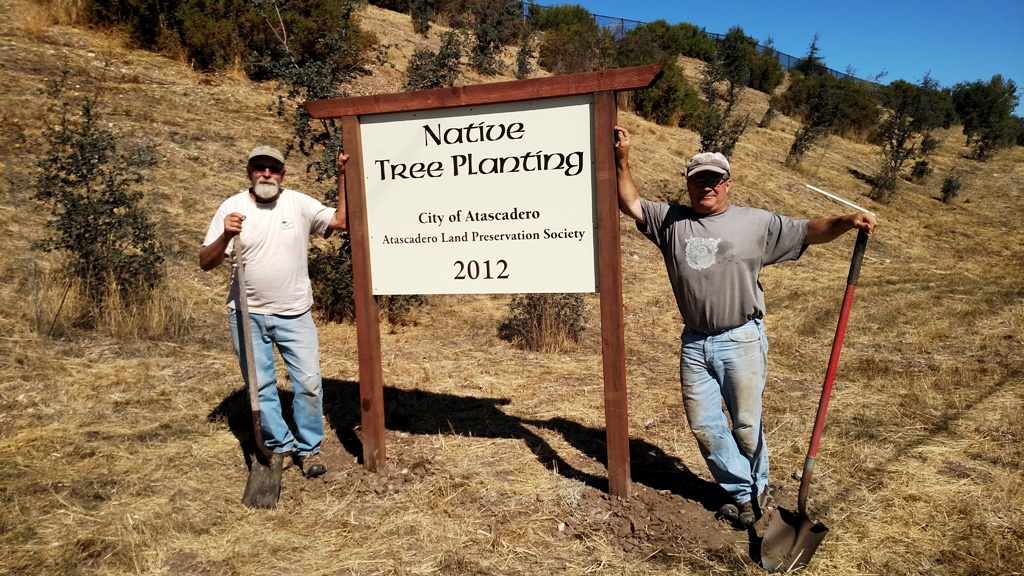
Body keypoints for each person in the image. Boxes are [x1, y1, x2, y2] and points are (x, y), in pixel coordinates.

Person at [613, 126, 876, 528]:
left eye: (714, 179)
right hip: (695, 340)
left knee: (746, 425)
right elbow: (630, 202)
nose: (707, 186)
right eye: (699, 179)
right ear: (688, 184)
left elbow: (807, 230)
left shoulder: (756, 223)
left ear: (727, 183)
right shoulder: (671, 220)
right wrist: (622, 158)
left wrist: (846, 220)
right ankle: (742, 491)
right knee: (704, 423)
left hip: (741, 338)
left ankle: (757, 489)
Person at [200, 145, 349, 479]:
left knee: (309, 383)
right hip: (246, 314)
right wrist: (226, 233)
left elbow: (340, 221)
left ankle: (308, 448)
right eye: (259, 168)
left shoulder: (298, 203)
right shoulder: (232, 208)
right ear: (249, 172)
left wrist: (342, 176)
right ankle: (278, 444)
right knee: (261, 385)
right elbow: (206, 262)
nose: (266, 174)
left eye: (273, 169)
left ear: (283, 174)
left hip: (294, 313)